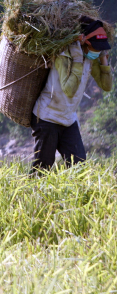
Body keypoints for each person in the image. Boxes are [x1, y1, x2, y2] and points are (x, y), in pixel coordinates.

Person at [30, 17, 112, 175]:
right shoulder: (64, 54)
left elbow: (106, 86)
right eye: (95, 48)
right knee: (42, 168)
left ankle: (75, 197)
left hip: (68, 120)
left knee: (79, 166)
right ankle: (28, 196)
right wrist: (77, 59)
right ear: (84, 42)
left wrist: (103, 60)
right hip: (47, 117)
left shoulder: (91, 59)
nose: (96, 51)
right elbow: (69, 90)